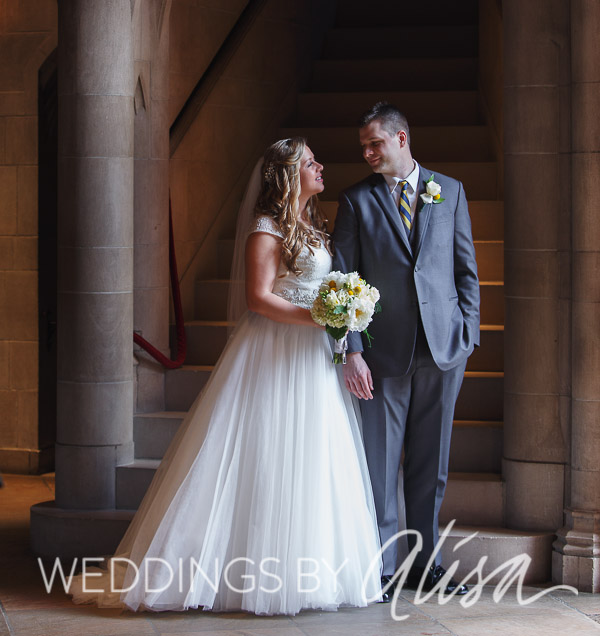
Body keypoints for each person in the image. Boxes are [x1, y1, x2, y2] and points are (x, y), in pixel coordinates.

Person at [68, 137, 381, 615]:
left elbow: (318, 291)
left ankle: (309, 570)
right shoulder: (267, 226)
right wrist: (317, 317)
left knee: (314, 454)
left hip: (313, 356)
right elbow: (259, 298)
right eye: (310, 161)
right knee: (267, 451)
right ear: (287, 174)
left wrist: (337, 327)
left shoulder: (313, 224)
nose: (321, 166)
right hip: (275, 350)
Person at [332, 102, 480, 600]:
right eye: (364, 146)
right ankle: (381, 568)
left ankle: (425, 566)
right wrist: (351, 349)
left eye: (375, 143)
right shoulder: (355, 201)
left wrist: (468, 334)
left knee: (430, 467)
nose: (369, 153)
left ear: (401, 139)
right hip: (381, 356)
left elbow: (465, 272)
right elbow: (344, 280)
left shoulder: (450, 191)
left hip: (443, 351)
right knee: (380, 465)